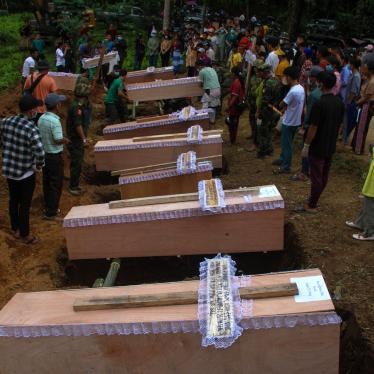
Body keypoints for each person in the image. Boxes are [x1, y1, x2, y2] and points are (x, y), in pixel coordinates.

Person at [297, 71, 345, 213]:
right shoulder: (339, 102)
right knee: (323, 175)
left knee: (316, 176)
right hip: (330, 144)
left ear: (321, 84)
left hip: (318, 145)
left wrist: (306, 145)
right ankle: (314, 198)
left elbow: (313, 128)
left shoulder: (319, 104)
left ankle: (312, 204)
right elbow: (340, 125)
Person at [0, 95, 45, 244]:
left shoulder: (6, 122)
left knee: (13, 200)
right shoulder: (32, 129)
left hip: (10, 171)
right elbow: (39, 152)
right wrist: (39, 166)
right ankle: (25, 234)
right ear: (32, 110)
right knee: (25, 204)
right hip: (26, 173)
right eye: (35, 108)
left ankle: (15, 229)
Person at [38, 94, 69, 220]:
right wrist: (65, 140)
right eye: (59, 103)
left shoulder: (41, 118)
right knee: (56, 184)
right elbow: (57, 139)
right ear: (57, 106)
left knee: (47, 182)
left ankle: (48, 206)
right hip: (54, 156)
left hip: (45, 154)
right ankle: (52, 212)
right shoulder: (55, 121)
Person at [291, 66, 323, 181]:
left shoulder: (315, 94)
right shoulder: (321, 91)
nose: (309, 78)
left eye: (311, 76)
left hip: (311, 125)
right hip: (321, 126)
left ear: (315, 78)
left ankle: (304, 172)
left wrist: (304, 126)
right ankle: (310, 169)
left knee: (307, 147)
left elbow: (309, 112)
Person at [273, 66, 305, 173]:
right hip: (295, 120)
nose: (284, 78)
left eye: (285, 76)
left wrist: (281, 105)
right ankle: (283, 159)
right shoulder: (301, 88)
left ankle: (286, 166)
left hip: (289, 121)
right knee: (286, 142)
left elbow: (282, 103)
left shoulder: (293, 91)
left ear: (289, 77)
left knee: (287, 145)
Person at [346, 145, 374, 241]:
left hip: (373, 187)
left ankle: (369, 233)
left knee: (370, 208)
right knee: (367, 205)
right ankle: (360, 223)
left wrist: (372, 149)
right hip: (370, 183)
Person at [67, 97, 90, 196]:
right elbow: (78, 125)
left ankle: (75, 185)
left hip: (76, 139)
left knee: (78, 163)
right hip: (76, 140)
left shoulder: (76, 105)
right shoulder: (76, 107)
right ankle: (73, 187)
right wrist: (84, 139)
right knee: (76, 163)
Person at [256, 63, 280, 158]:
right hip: (274, 109)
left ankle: (263, 151)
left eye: (260, 72)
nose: (258, 73)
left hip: (267, 111)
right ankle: (269, 150)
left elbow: (265, 100)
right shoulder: (275, 80)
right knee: (269, 131)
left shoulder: (268, 83)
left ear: (265, 72)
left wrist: (260, 113)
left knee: (263, 131)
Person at [352, 59, 374, 154]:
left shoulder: (372, 82)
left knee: (362, 127)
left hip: (367, 105)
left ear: (370, 70)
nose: (363, 70)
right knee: (359, 126)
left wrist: (356, 103)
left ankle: (358, 149)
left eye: (365, 68)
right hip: (363, 104)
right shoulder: (368, 79)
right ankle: (355, 146)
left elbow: (366, 98)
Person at [344, 58, 361, 145]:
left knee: (349, 120)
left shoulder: (356, 76)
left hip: (351, 102)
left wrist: (349, 102)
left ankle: (345, 139)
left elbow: (353, 92)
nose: (348, 65)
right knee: (346, 120)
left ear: (353, 65)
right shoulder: (353, 74)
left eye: (350, 64)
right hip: (349, 100)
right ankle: (344, 138)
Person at [198, 60, 221, 124]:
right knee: (213, 105)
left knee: (205, 105)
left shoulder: (201, 71)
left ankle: (203, 120)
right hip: (218, 89)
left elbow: (200, 84)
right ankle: (212, 121)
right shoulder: (212, 69)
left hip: (210, 90)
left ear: (199, 66)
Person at [226, 66, 245, 144]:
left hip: (234, 107)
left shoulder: (236, 83)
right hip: (236, 106)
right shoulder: (238, 81)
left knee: (232, 124)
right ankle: (232, 139)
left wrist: (229, 106)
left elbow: (234, 97)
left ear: (234, 74)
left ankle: (232, 139)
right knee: (234, 123)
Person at [247, 61, 263, 151]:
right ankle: (253, 134)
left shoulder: (260, 79)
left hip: (257, 104)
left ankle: (256, 141)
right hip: (252, 102)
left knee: (257, 122)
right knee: (251, 119)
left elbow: (256, 92)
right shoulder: (253, 77)